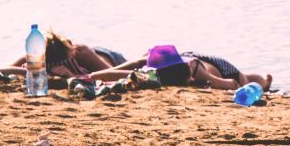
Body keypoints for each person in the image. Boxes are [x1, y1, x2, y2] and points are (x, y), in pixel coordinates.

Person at [86, 45, 272, 91]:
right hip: (172, 60)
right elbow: (97, 75)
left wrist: (206, 82)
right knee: (141, 58)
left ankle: (264, 80)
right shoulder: (153, 72)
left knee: (246, 79)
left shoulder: (195, 70)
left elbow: (231, 83)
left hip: (217, 66)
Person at [0, 30, 127, 79]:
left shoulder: (79, 52)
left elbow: (112, 73)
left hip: (111, 59)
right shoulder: (34, 59)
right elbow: (0, 71)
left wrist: (73, 76)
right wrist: (32, 72)